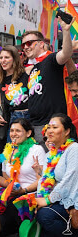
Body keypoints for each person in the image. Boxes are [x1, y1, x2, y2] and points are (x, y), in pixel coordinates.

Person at [0, 119, 46, 237]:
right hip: (14, 192)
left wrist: (23, 190)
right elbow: (7, 178)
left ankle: (4, 230)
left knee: (13, 203)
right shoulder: (8, 151)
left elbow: (41, 180)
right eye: (11, 131)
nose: (13, 134)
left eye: (18, 131)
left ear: (28, 133)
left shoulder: (36, 150)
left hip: (31, 194)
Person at [23, 16, 74, 144]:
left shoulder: (51, 60)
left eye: (29, 43)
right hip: (34, 126)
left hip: (51, 125)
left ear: (41, 44)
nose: (25, 47)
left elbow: (66, 53)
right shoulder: (33, 68)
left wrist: (66, 31)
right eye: (23, 44)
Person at [35, 114, 78, 237]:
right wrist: (38, 198)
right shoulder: (51, 153)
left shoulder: (74, 149)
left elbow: (69, 181)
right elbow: (44, 180)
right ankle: (70, 232)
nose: (49, 131)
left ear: (66, 131)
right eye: (48, 128)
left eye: (55, 127)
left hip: (72, 201)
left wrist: (46, 201)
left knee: (44, 215)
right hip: (57, 200)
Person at [0, 46, 29, 129]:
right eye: (1, 58)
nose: (3, 60)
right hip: (13, 118)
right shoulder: (1, 81)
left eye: (7, 57)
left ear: (14, 59)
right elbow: (2, 105)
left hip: (29, 116)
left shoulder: (26, 73)